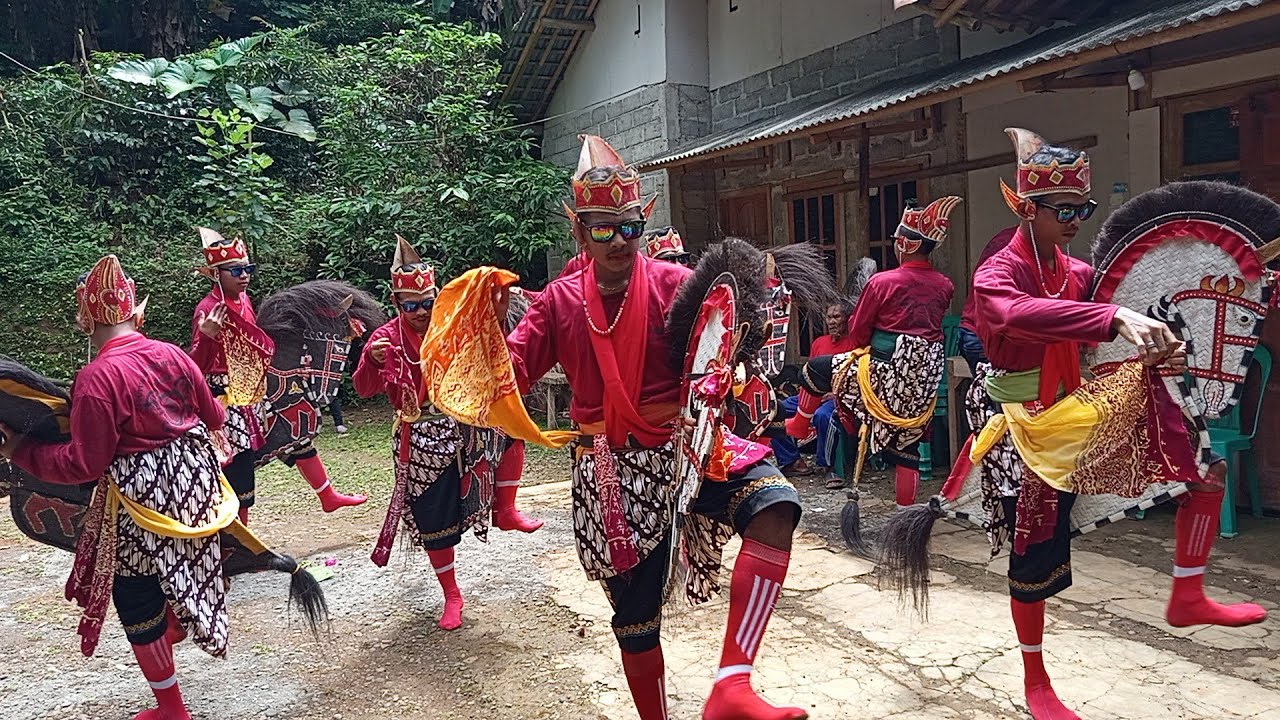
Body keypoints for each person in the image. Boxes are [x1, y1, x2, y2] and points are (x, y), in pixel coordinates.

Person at [501, 135, 808, 720]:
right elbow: (510, 374)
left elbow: (713, 356)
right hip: (608, 467)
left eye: (630, 227)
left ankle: (732, 684)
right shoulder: (558, 303)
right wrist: (483, 335)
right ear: (578, 229)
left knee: (774, 504)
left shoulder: (673, 285)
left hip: (684, 447)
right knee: (636, 622)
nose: (619, 241)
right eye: (603, 230)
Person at [966, 128, 1266, 719]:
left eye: (1085, 209)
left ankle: (1188, 592)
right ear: (1027, 209)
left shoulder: (1078, 273)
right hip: (1022, 418)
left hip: (1080, 403)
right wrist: (1111, 317)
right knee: (1035, 552)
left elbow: (1115, 319)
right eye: (1064, 210)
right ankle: (1036, 682)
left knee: (1205, 465)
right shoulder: (996, 272)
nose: (1076, 219)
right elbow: (1011, 313)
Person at [1, 255, 231, 720]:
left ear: (84, 318)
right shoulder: (172, 353)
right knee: (175, 566)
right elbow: (217, 417)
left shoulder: (96, 378)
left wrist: (19, 454)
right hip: (199, 486)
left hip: (142, 498)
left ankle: (171, 708)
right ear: (134, 312)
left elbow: (85, 463)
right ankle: (178, 624)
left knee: (135, 596)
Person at [355, 236, 528, 630]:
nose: (421, 312)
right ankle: (452, 592)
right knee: (435, 522)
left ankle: (506, 509)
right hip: (417, 436)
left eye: (427, 302)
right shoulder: (384, 338)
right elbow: (363, 388)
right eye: (410, 305)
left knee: (510, 429)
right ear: (397, 303)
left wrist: (498, 317)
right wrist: (370, 357)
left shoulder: (451, 325)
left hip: (461, 419)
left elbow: (489, 346)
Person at [787, 197, 959, 508]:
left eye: (897, 241)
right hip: (922, 386)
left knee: (816, 370)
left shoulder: (882, 282)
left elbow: (859, 331)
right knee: (908, 449)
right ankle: (905, 511)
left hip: (885, 376)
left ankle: (799, 425)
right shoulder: (945, 284)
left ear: (905, 244)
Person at [190, 228, 364, 521]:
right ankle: (239, 546)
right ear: (215, 274)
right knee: (239, 472)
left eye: (247, 269)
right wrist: (207, 337)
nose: (244, 275)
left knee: (294, 428)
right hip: (224, 400)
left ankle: (327, 495)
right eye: (235, 271)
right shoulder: (207, 310)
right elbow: (195, 366)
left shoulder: (243, 300)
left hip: (254, 388)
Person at [774, 302, 857, 487]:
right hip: (812, 395)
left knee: (823, 416)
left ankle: (828, 467)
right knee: (774, 409)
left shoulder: (855, 343)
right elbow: (810, 374)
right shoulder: (819, 343)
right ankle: (792, 461)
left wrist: (834, 394)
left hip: (838, 397)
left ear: (848, 320)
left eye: (837, 317)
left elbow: (857, 378)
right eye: (829, 317)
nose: (832, 322)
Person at [958, 226, 1017, 375]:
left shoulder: (1007, 238)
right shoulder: (1011, 246)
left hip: (975, 331)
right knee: (999, 396)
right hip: (986, 336)